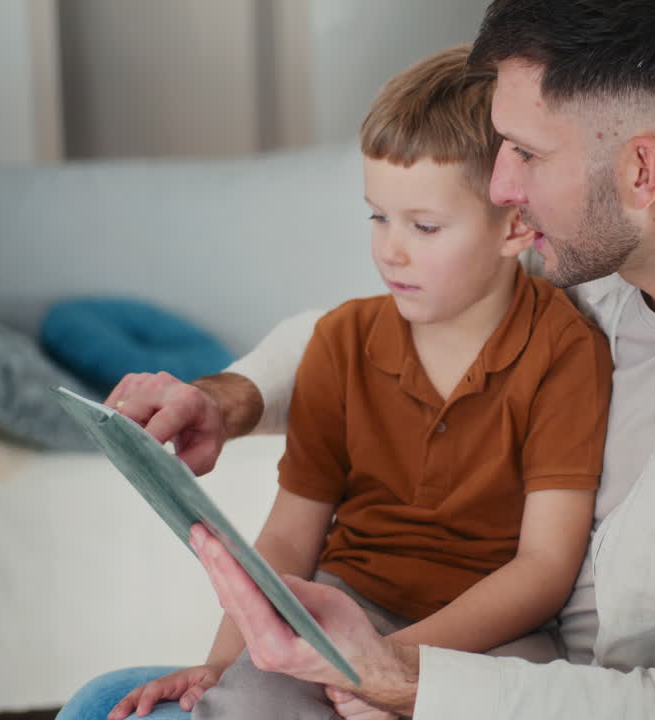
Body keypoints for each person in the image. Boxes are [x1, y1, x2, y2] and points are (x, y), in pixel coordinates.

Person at [67, 1, 655, 718]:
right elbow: (359, 334)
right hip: (448, 666)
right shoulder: (599, 262)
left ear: (641, 171)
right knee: (114, 699)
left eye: (525, 153)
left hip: (532, 692)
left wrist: (398, 675)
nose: (500, 187)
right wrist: (227, 402)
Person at [58, 45, 613, 720]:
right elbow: (289, 541)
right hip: (339, 610)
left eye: (424, 226)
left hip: (495, 636)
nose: (389, 249)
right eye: (377, 216)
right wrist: (220, 665)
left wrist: (390, 669)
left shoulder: (564, 350)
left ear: (516, 225)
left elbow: (543, 570)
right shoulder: (340, 342)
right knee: (240, 703)